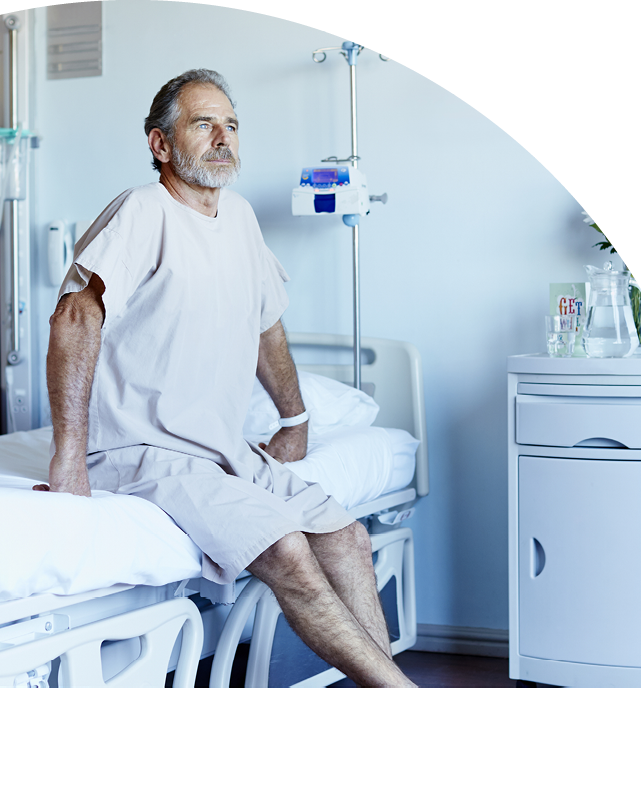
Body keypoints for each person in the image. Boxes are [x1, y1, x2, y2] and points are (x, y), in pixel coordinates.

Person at [36, 68, 416, 688]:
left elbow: (265, 323)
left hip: (221, 448)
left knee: (346, 538)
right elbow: (76, 317)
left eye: (231, 124)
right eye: (203, 123)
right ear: (161, 144)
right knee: (288, 549)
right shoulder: (143, 210)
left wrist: (294, 420)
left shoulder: (238, 217)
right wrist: (70, 458)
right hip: (143, 449)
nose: (222, 137)